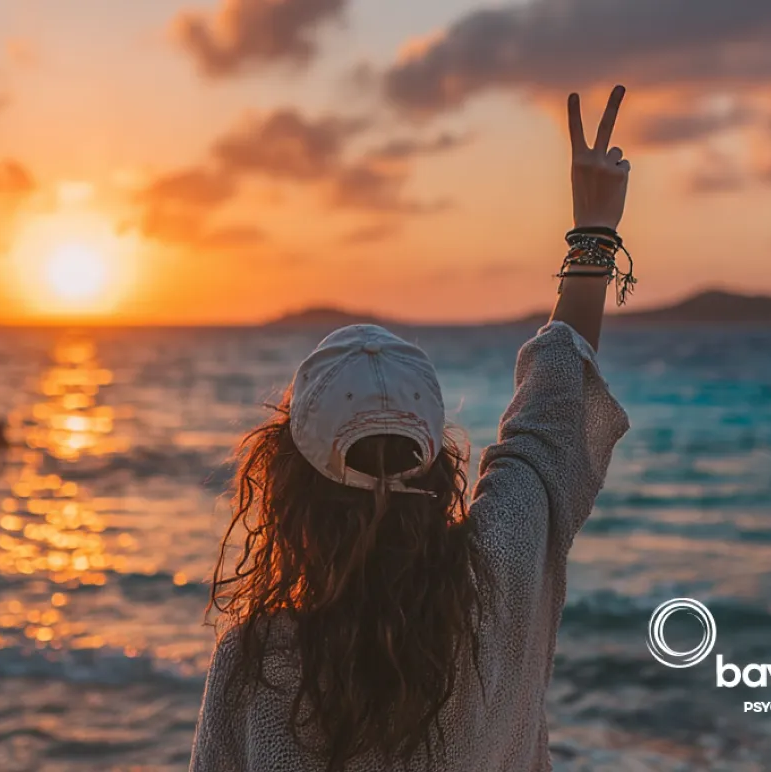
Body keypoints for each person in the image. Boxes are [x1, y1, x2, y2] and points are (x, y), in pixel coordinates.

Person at [189, 86, 634, 772]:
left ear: (288, 484)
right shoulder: (502, 579)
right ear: (436, 463)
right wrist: (593, 232)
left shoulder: (257, 670)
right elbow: (549, 410)